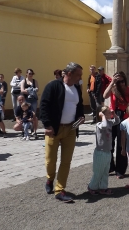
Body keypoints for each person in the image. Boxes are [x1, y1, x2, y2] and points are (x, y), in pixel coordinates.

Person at [40, 62, 84, 203]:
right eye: (78, 75)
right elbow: (44, 105)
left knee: (66, 161)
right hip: (54, 129)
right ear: (69, 74)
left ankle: (59, 189)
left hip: (71, 129)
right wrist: (47, 125)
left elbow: (80, 105)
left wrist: (80, 117)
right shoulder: (53, 86)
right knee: (50, 160)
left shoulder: (77, 88)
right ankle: (50, 178)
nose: (80, 78)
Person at [103, 71, 129, 179]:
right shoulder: (113, 89)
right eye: (119, 81)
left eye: (123, 81)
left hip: (123, 118)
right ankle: (110, 166)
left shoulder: (128, 89)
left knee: (121, 144)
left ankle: (120, 170)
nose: (122, 83)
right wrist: (112, 82)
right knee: (109, 144)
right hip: (112, 117)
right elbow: (105, 95)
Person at [87, 106, 121, 195]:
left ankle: (103, 187)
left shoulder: (109, 122)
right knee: (98, 171)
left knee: (105, 171)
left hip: (107, 151)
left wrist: (115, 115)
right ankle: (92, 187)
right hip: (100, 152)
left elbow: (117, 121)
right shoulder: (99, 125)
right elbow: (104, 125)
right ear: (101, 114)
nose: (110, 113)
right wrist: (102, 116)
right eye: (108, 112)